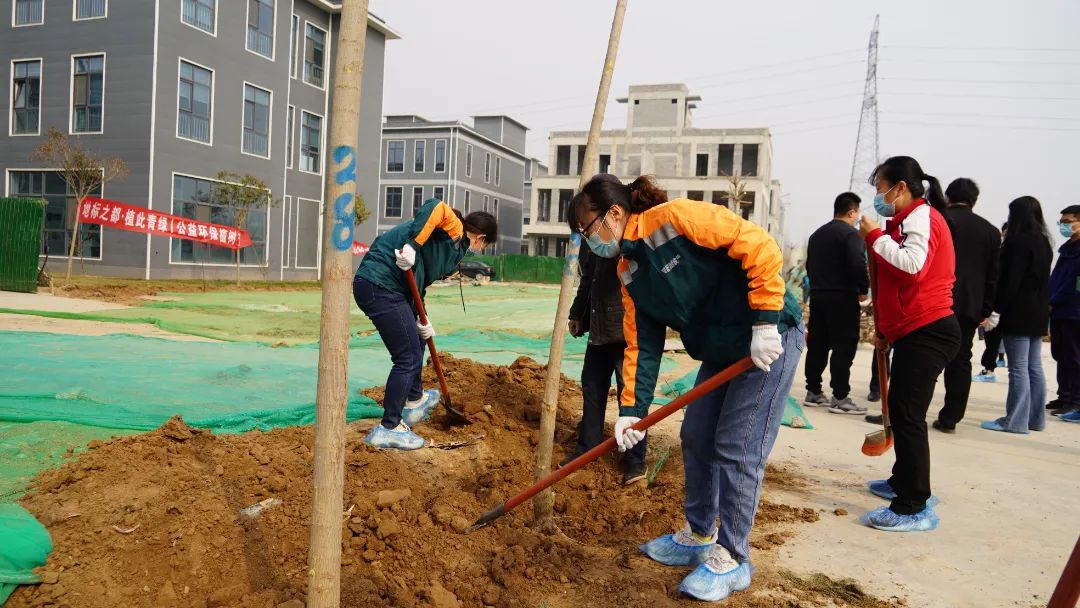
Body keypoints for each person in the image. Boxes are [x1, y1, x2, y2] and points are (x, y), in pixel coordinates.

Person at [569, 174, 803, 602]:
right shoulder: (628, 271)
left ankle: (733, 556)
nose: (589, 241)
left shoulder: (675, 219)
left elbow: (758, 245)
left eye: (588, 229)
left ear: (614, 213)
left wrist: (766, 319)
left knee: (738, 446)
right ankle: (699, 533)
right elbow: (642, 344)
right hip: (721, 349)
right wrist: (631, 410)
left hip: (766, 340)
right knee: (696, 435)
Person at [857, 156, 959, 532]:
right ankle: (902, 480)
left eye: (880, 188)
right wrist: (886, 329)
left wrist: (874, 237)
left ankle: (913, 505)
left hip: (930, 329)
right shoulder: (903, 222)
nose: (877, 197)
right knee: (902, 412)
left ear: (901, 187)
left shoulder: (922, 217)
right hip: (911, 330)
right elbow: (893, 282)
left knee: (908, 415)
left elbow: (913, 267)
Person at [353, 198, 497, 449]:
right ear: (481, 237)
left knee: (417, 341)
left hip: (393, 289)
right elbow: (435, 206)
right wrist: (412, 246)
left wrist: (422, 317)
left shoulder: (454, 251)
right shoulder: (454, 228)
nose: (481, 249)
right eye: (484, 245)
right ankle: (389, 427)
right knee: (407, 357)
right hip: (379, 284)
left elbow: (419, 280)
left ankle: (414, 400)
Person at [565, 245, 647, 484]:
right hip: (598, 331)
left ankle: (635, 460)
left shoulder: (629, 243)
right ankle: (587, 449)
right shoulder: (595, 245)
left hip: (625, 333)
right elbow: (588, 281)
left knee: (629, 394)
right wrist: (577, 314)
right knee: (592, 386)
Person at [934, 179, 1001, 433]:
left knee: (922, 356)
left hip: (935, 300)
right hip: (969, 306)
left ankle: (910, 411)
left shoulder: (938, 219)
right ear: (974, 201)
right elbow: (993, 275)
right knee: (961, 359)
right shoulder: (991, 231)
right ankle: (950, 418)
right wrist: (985, 309)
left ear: (948, 197)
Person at [981, 197, 1052, 434]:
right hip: (1038, 311)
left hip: (1018, 312)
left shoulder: (1016, 242)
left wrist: (996, 309)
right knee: (1034, 367)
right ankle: (1035, 419)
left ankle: (1015, 422)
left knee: (1018, 368)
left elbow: (1010, 281)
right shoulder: (1044, 241)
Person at [802, 192, 870, 415]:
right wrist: (863, 288)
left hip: (819, 297)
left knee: (818, 346)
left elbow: (810, 266)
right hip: (843, 299)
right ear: (851, 212)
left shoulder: (817, 235)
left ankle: (813, 391)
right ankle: (840, 397)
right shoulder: (851, 235)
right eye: (856, 214)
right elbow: (857, 263)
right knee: (843, 348)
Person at [1048, 205, 1080, 421]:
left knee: (1074, 357)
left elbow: (1076, 286)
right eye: (1062, 222)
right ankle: (1064, 396)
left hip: (1074, 312)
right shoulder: (1067, 248)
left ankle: (1076, 401)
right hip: (1058, 311)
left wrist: (1056, 300)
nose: (1064, 226)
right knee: (1061, 355)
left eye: (1068, 222)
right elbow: (1056, 279)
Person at [974, 222, 1009, 382]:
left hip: (999, 306)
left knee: (995, 340)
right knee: (993, 341)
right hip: (997, 304)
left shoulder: (1006, 254)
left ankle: (989, 369)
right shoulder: (1002, 251)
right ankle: (991, 366)